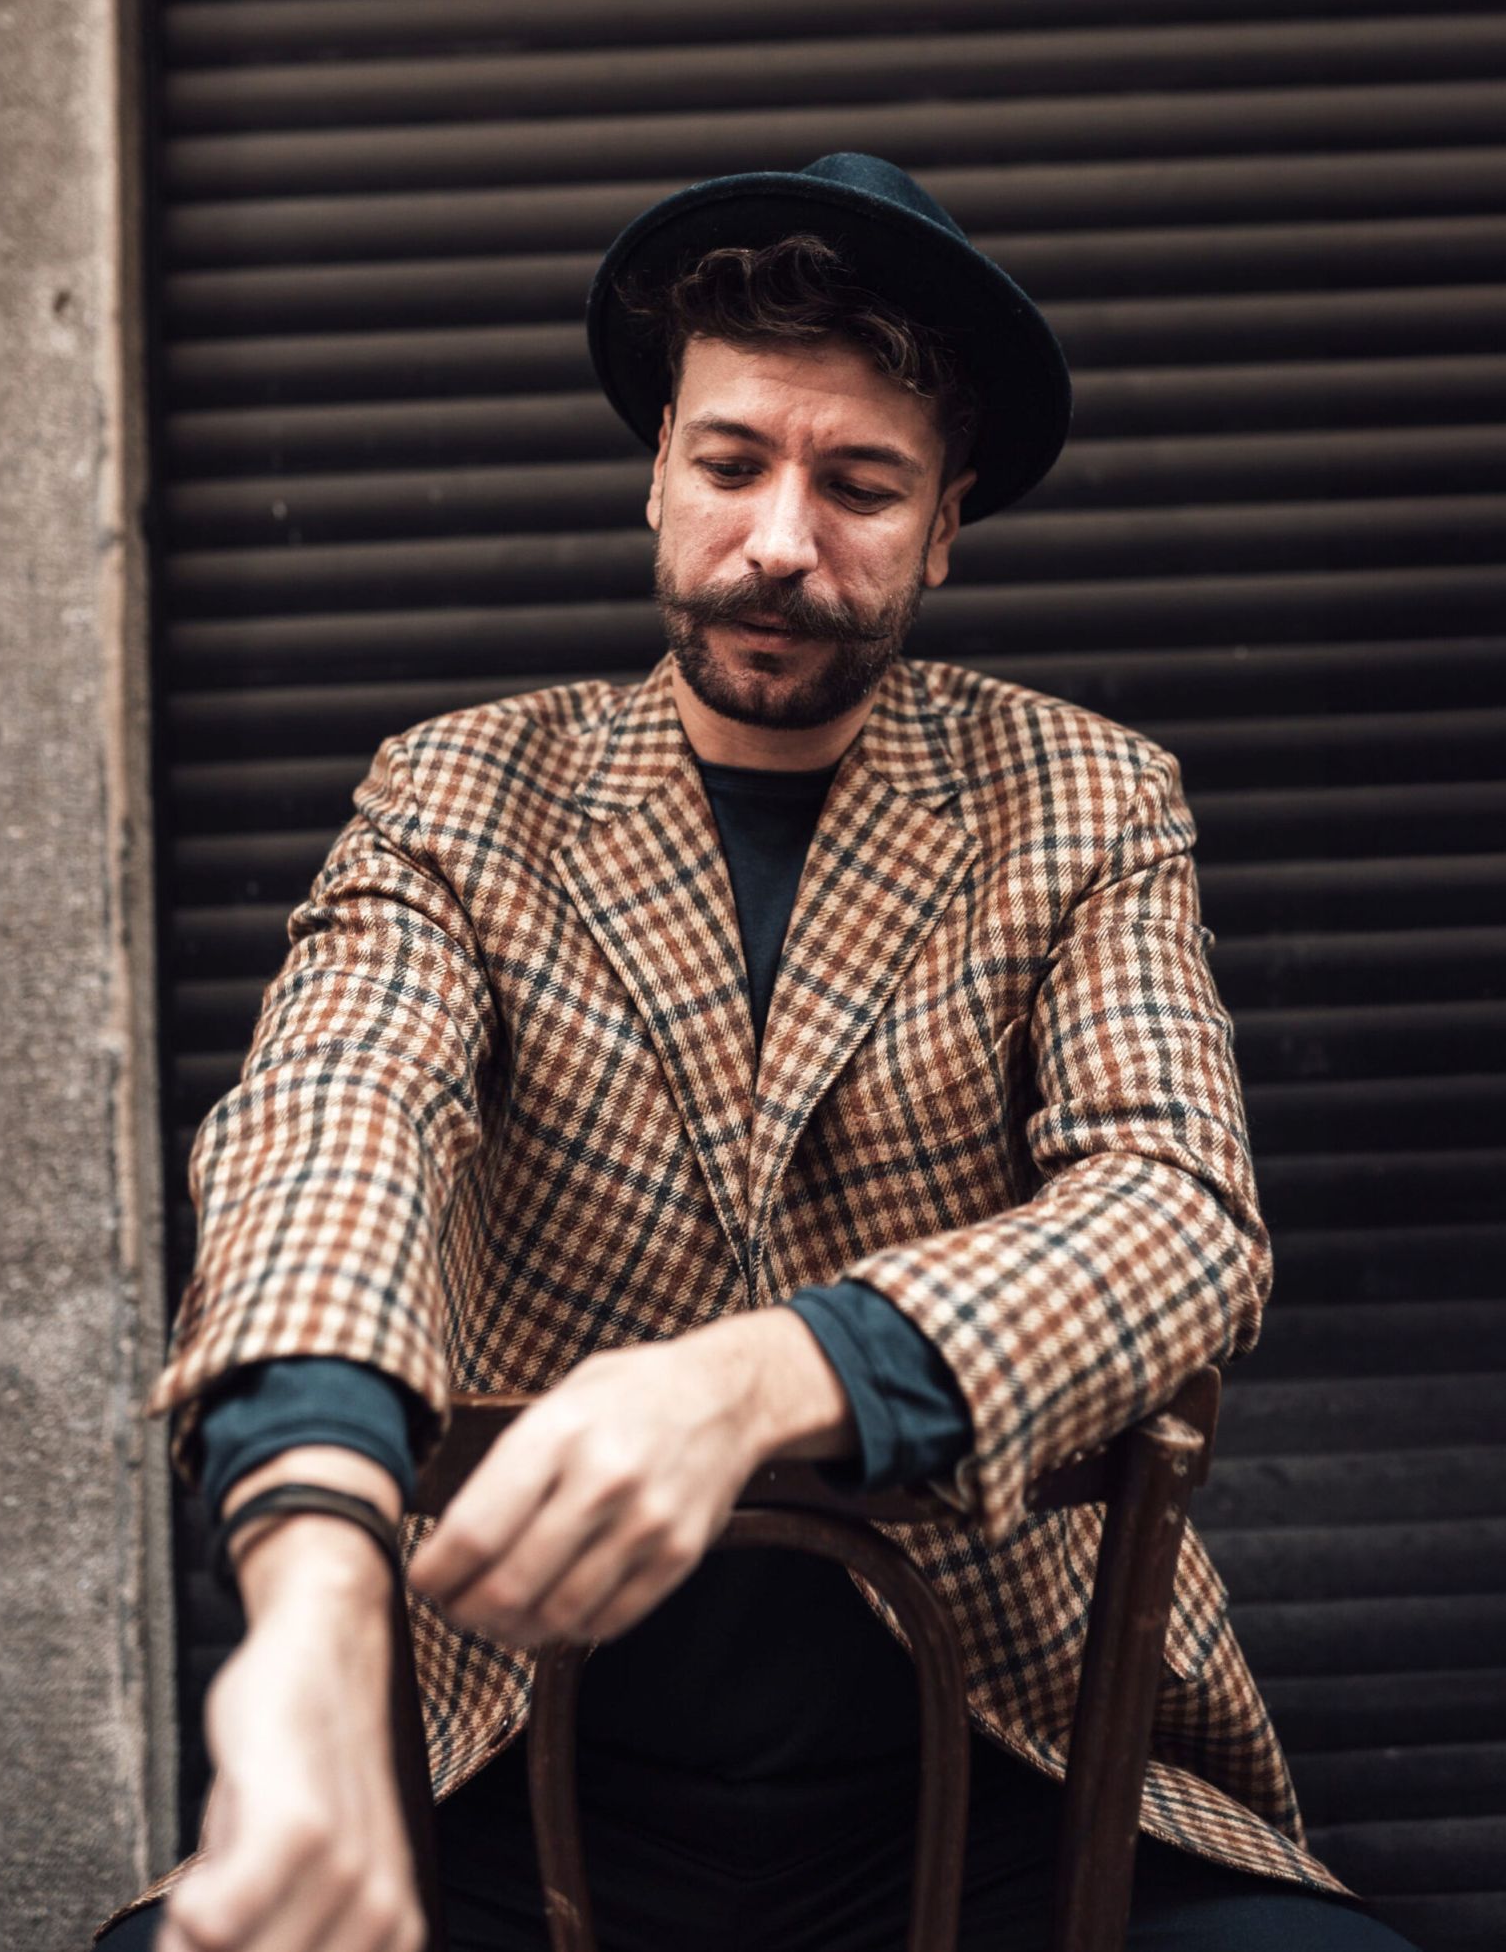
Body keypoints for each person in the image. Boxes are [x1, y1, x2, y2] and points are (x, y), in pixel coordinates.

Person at [97, 155, 1420, 1952]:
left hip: (1003, 1772)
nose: (781, 541)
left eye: (859, 485)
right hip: (514, 1782)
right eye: (731, 465)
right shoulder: (460, 791)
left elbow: (1178, 1211)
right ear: (658, 470)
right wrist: (317, 1578)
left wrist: (753, 1379)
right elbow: (337, 1122)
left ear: (943, 526)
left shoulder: (1086, 794)